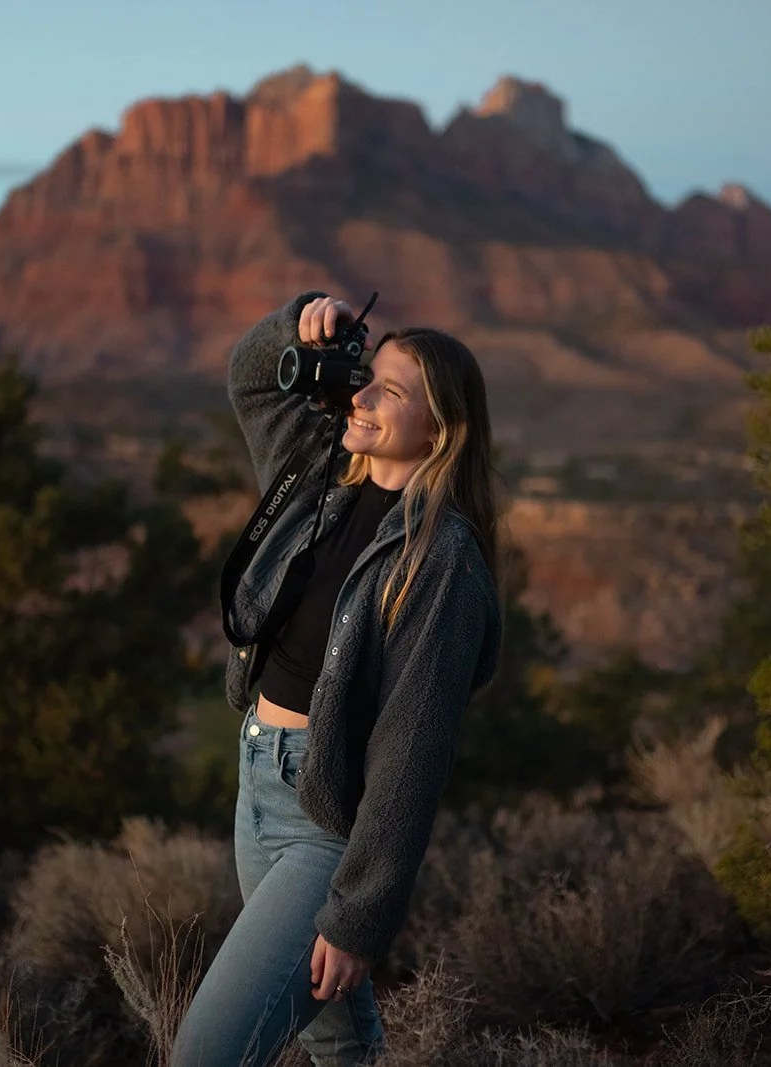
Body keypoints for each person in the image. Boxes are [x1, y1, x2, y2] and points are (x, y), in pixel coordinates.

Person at [170, 292, 503, 1066]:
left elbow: (411, 751)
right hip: (258, 779)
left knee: (205, 1054)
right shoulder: (316, 468)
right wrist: (300, 324)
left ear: (440, 428)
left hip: (327, 817)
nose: (360, 396)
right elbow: (250, 379)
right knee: (336, 1043)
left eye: (390, 390)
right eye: (367, 376)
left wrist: (361, 914)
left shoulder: (440, 560)